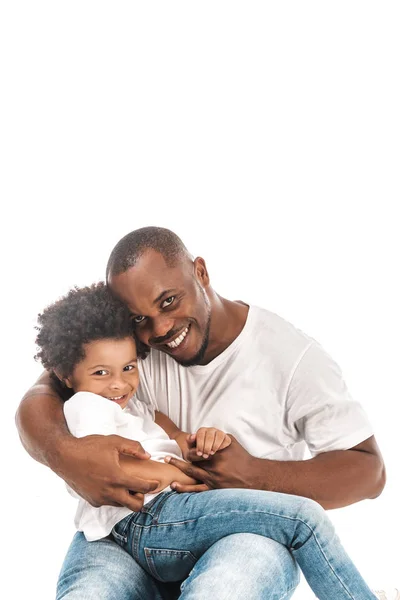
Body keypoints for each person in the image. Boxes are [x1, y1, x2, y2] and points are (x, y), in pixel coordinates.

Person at [16, 226, 387, 600]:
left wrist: (256, 474)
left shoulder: (291, 358)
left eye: (169, 301)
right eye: (138, 319)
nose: (160, 329)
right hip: (120, 531)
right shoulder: (124, 350)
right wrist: (63, 454)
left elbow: (369, 472)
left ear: (201, 273)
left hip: (242, 537)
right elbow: (41, 394)